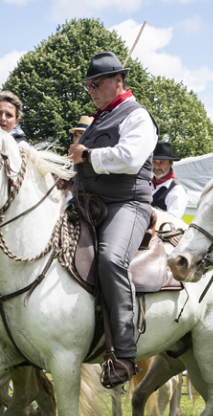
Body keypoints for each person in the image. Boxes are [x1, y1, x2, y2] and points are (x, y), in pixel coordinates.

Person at [67, 52, 158, 388]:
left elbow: (131, 158)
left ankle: (123, 354)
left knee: (110, 258)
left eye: (97, 83)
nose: (90, 89)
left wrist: (87, 154)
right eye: (88, 84)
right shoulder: (96, 120)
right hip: (88, 204)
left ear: (118, 81)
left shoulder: (138, 116)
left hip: (128, 204)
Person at [150, 141, 189, 218]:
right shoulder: (145, 183)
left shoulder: (177, 190)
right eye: (154, 162)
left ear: (171, 163)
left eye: (161, 162)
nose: (157, 167)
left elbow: (171, 223)